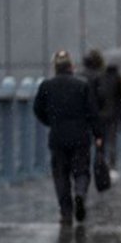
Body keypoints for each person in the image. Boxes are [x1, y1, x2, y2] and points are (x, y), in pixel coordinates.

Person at [34, 50, 102, 225]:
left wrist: (51, 122)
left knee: (61, 175)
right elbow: (92, 112)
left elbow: (37, 110)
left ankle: (66, 213)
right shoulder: (82, 85)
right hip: (80, 137)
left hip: (57, 137)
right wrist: (98, 135)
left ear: (55, 67)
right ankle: (80, 194)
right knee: (81, 171)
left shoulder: (46, 86)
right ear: (71, 66)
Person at [97, 65, 121, 180]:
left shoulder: (101, 78)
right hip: (113, 115)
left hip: (101, 115)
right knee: (112, 141)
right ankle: (112, 166)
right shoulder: (118, 79)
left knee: (101, 141)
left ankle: (101, 165)